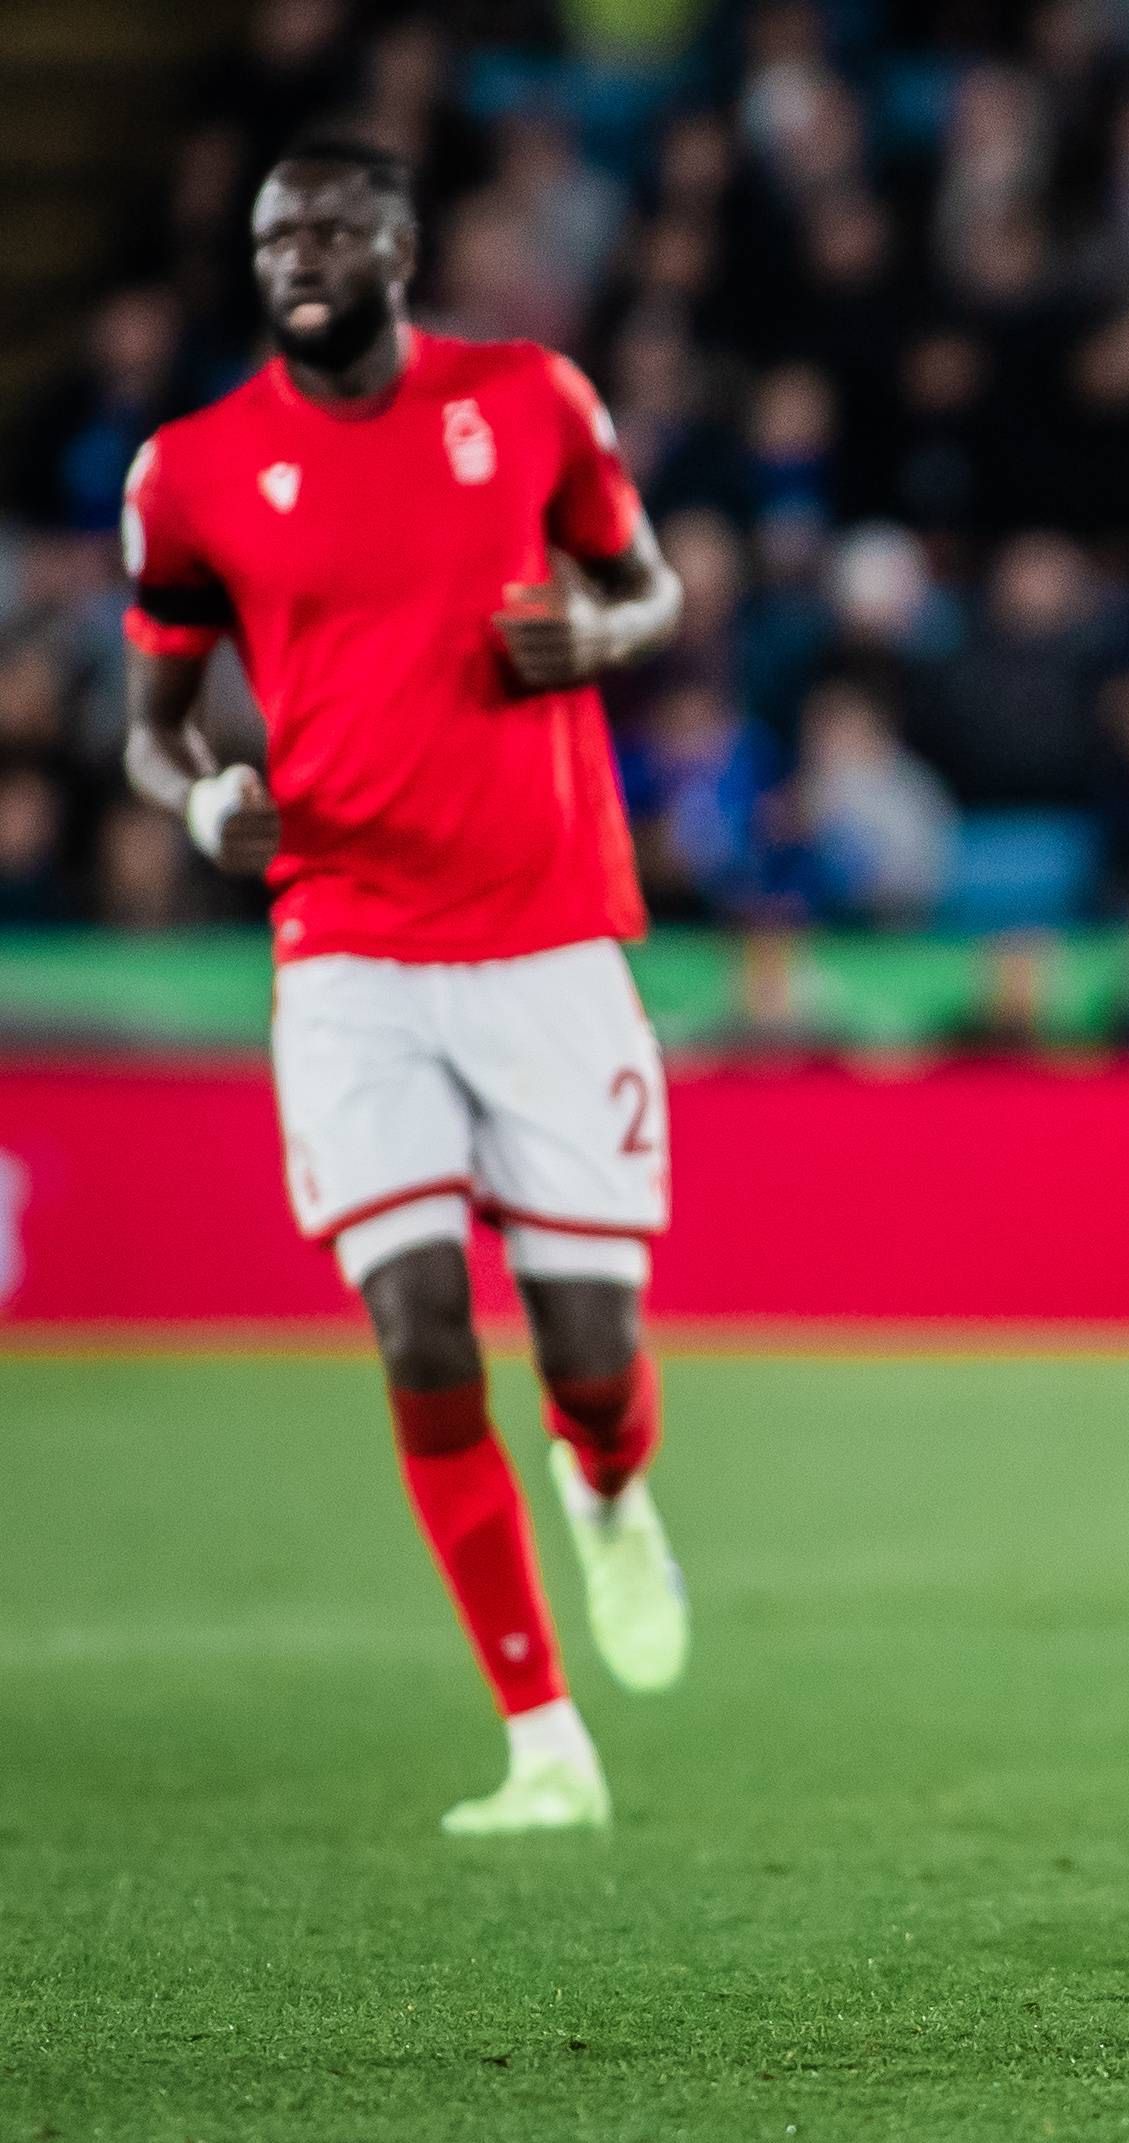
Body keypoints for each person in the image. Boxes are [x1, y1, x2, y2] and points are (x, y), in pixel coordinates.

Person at [118, 139, 690, 1836]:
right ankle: (540, 1738)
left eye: (336, 226)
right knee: (418, 1319)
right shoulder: (194, 471)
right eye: (278, 229)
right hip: (346, 943)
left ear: (399, 245)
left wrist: (606, 637)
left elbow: (649, 581)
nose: (303, 250)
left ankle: (610, 1488)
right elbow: (153, 731)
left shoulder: (527, 400)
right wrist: (204, 799)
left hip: (546, 934)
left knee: (588, 1351)